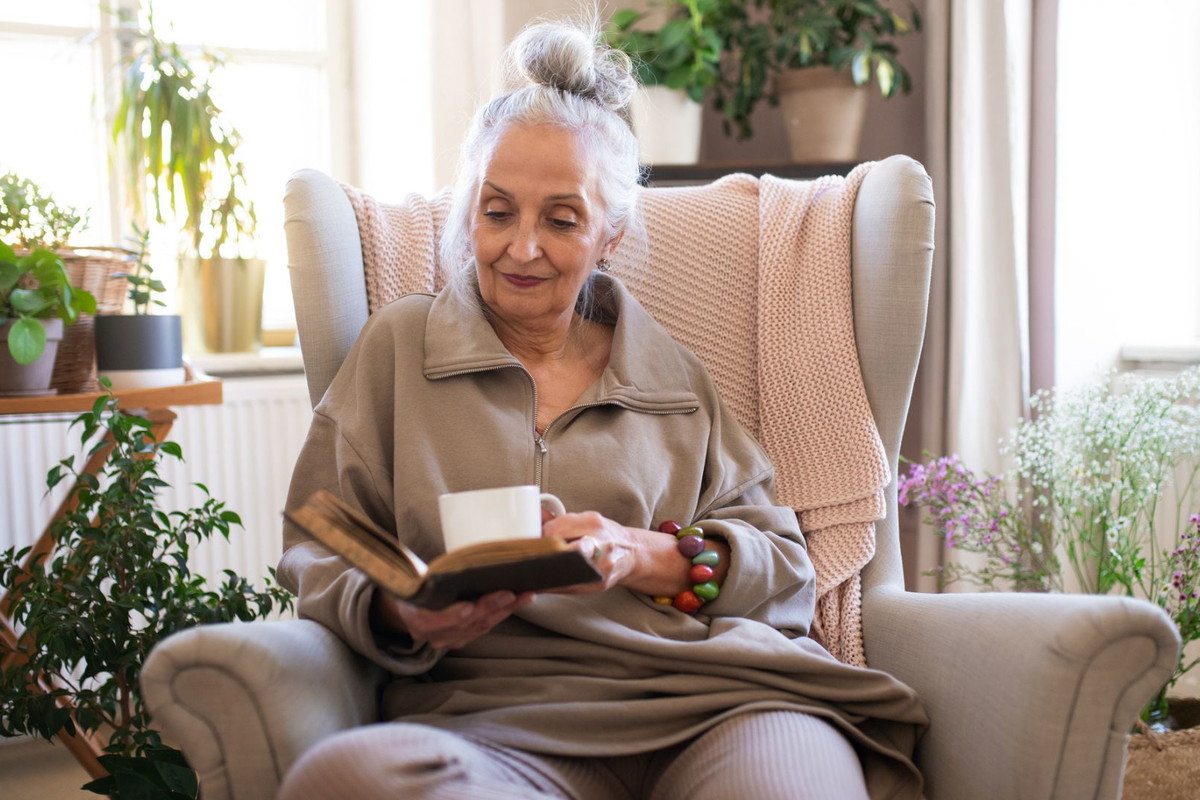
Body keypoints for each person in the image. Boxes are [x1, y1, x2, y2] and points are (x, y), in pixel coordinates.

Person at [276, 16, 927, 800]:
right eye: (497, 211)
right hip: (493, 724)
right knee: (344, 778)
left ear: (610, 234)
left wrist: (640, 554)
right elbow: (318, 537)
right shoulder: (399, 351)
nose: (521, 248)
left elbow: (784, 567)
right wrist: (396, 610)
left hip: (717, 702)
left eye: (561, 219)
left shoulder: (670, 375)